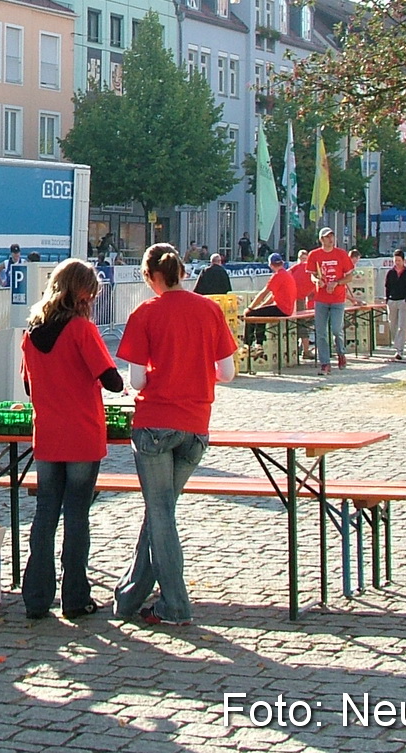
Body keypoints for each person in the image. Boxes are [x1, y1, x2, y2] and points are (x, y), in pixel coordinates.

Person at [114, 244, 236, 625]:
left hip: (154, 422)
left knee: (160, 511)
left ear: (150, 277)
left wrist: (156, 377)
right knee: (161, 510)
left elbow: (134, 379)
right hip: (196, 424)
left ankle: (175, 603)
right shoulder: (210, 309)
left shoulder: (146, 312)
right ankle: (131, 594)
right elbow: (228, 372)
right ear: (182, 271)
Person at [20, 259, 122, 621]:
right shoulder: (81, 329)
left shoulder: (32, 332)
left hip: (47, 432)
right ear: (84, 293)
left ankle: (35, 596)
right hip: (81, 431)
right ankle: (75, 597)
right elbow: (113, 380)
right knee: (76, 514)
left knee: (45, 513)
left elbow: (28, 384)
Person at [304, 228, 354, 374]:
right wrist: (317, 281)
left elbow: (349, 276)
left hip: (338, 298)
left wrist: (337, 283)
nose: (330, 239)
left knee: (337, 329)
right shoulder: (314, 255)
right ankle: (325, 363)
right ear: (321, 240)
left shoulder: (341, 254)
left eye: (332, 236)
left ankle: (341, 352)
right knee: (321, 332)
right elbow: (312, 275)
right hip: (321, 299)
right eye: (327, 237)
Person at [242, 254, 296, 349]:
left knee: (250, 314)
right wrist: (263, 305)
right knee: (261, 312)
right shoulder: (286, 274)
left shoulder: (277, 276)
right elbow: (273, 295)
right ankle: (259, 343)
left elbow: (264, 293)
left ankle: (248, 345)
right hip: (287, 308)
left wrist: (250, 307)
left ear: (271, 265)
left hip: (281, 308)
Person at [384, 249, 406, 361]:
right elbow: (387, 287)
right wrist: (388, 300)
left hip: (403, 301)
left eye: (399, 260)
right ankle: (396, 345)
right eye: (395, 260)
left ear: (403, 260)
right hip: (392, 301)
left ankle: (400, 350)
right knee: (393, 324)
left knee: (402, 326)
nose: (397, 262)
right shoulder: (390, 273)